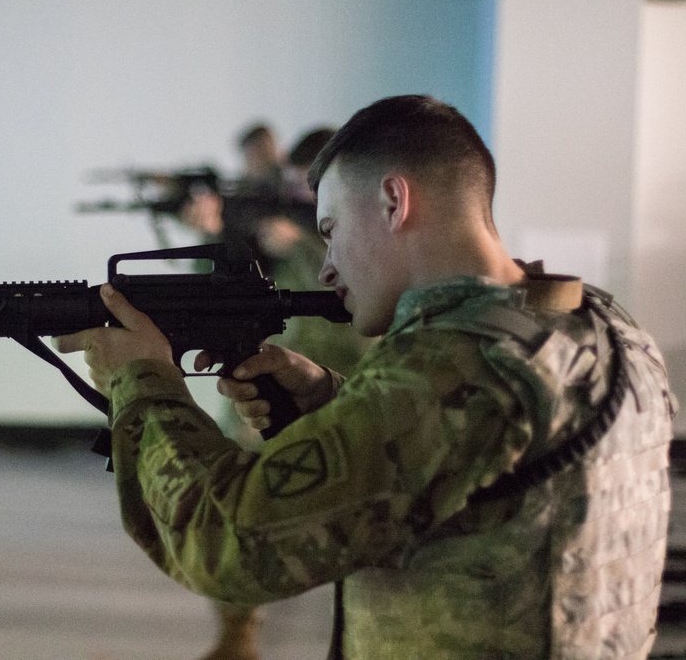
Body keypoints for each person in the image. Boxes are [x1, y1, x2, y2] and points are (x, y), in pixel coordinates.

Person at [54, 95, 677, 658]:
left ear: (393, 202)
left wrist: (142, 378)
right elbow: (494, 474)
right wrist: (338, 400)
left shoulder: (454, 368)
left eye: (331, 232)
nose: (325, 267)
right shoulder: (604, 326)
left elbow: (231, 541)